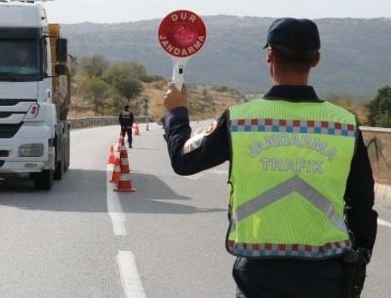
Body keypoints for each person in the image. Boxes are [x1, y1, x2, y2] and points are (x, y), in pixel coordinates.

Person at [161, 18, 377, 298]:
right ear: (317, 60)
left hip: (259, 277)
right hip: (326, 276)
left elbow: (183, 159)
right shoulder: (345, 125)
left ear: (270, 55)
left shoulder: (240, 120)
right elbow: (362, 204)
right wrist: (358, 259)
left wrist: (176, 113)